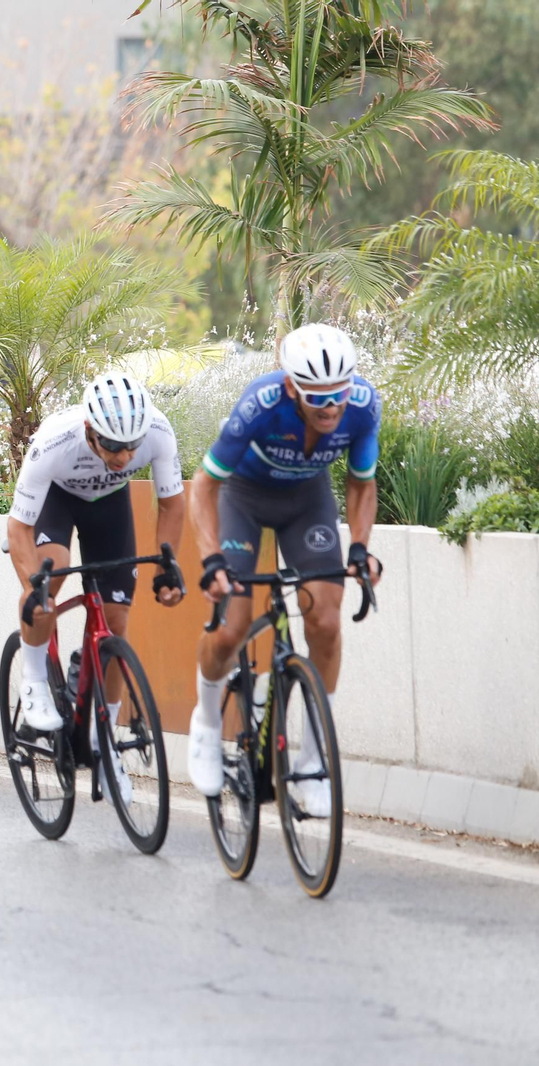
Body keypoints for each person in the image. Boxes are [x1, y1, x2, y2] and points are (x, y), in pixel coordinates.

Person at [187, 323, 384, 818]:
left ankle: (316, 762)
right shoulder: (260, 404)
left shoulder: (362, 405)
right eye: (318, 398)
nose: (332, 406)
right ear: (292, 387)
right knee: (232, 628)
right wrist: (211, 558)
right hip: (244, 501)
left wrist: (359, 549)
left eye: (339, 393)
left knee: (326, 620)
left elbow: (362, 483)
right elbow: (204, 486)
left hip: (306, 502)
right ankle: (207, 722)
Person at [6, 372, 186, 800]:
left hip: (109, 507)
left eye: (131, 447)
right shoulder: (53, 442)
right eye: (112, 446)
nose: (124, 457)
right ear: (89, 430)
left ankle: (104, 743)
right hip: (58, 499)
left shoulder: (158, 432)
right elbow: (18, 529)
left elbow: (173, 504)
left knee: (117, 622)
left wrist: (166, 565)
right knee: (54, 573)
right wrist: (35, 590)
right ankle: (32, 679)